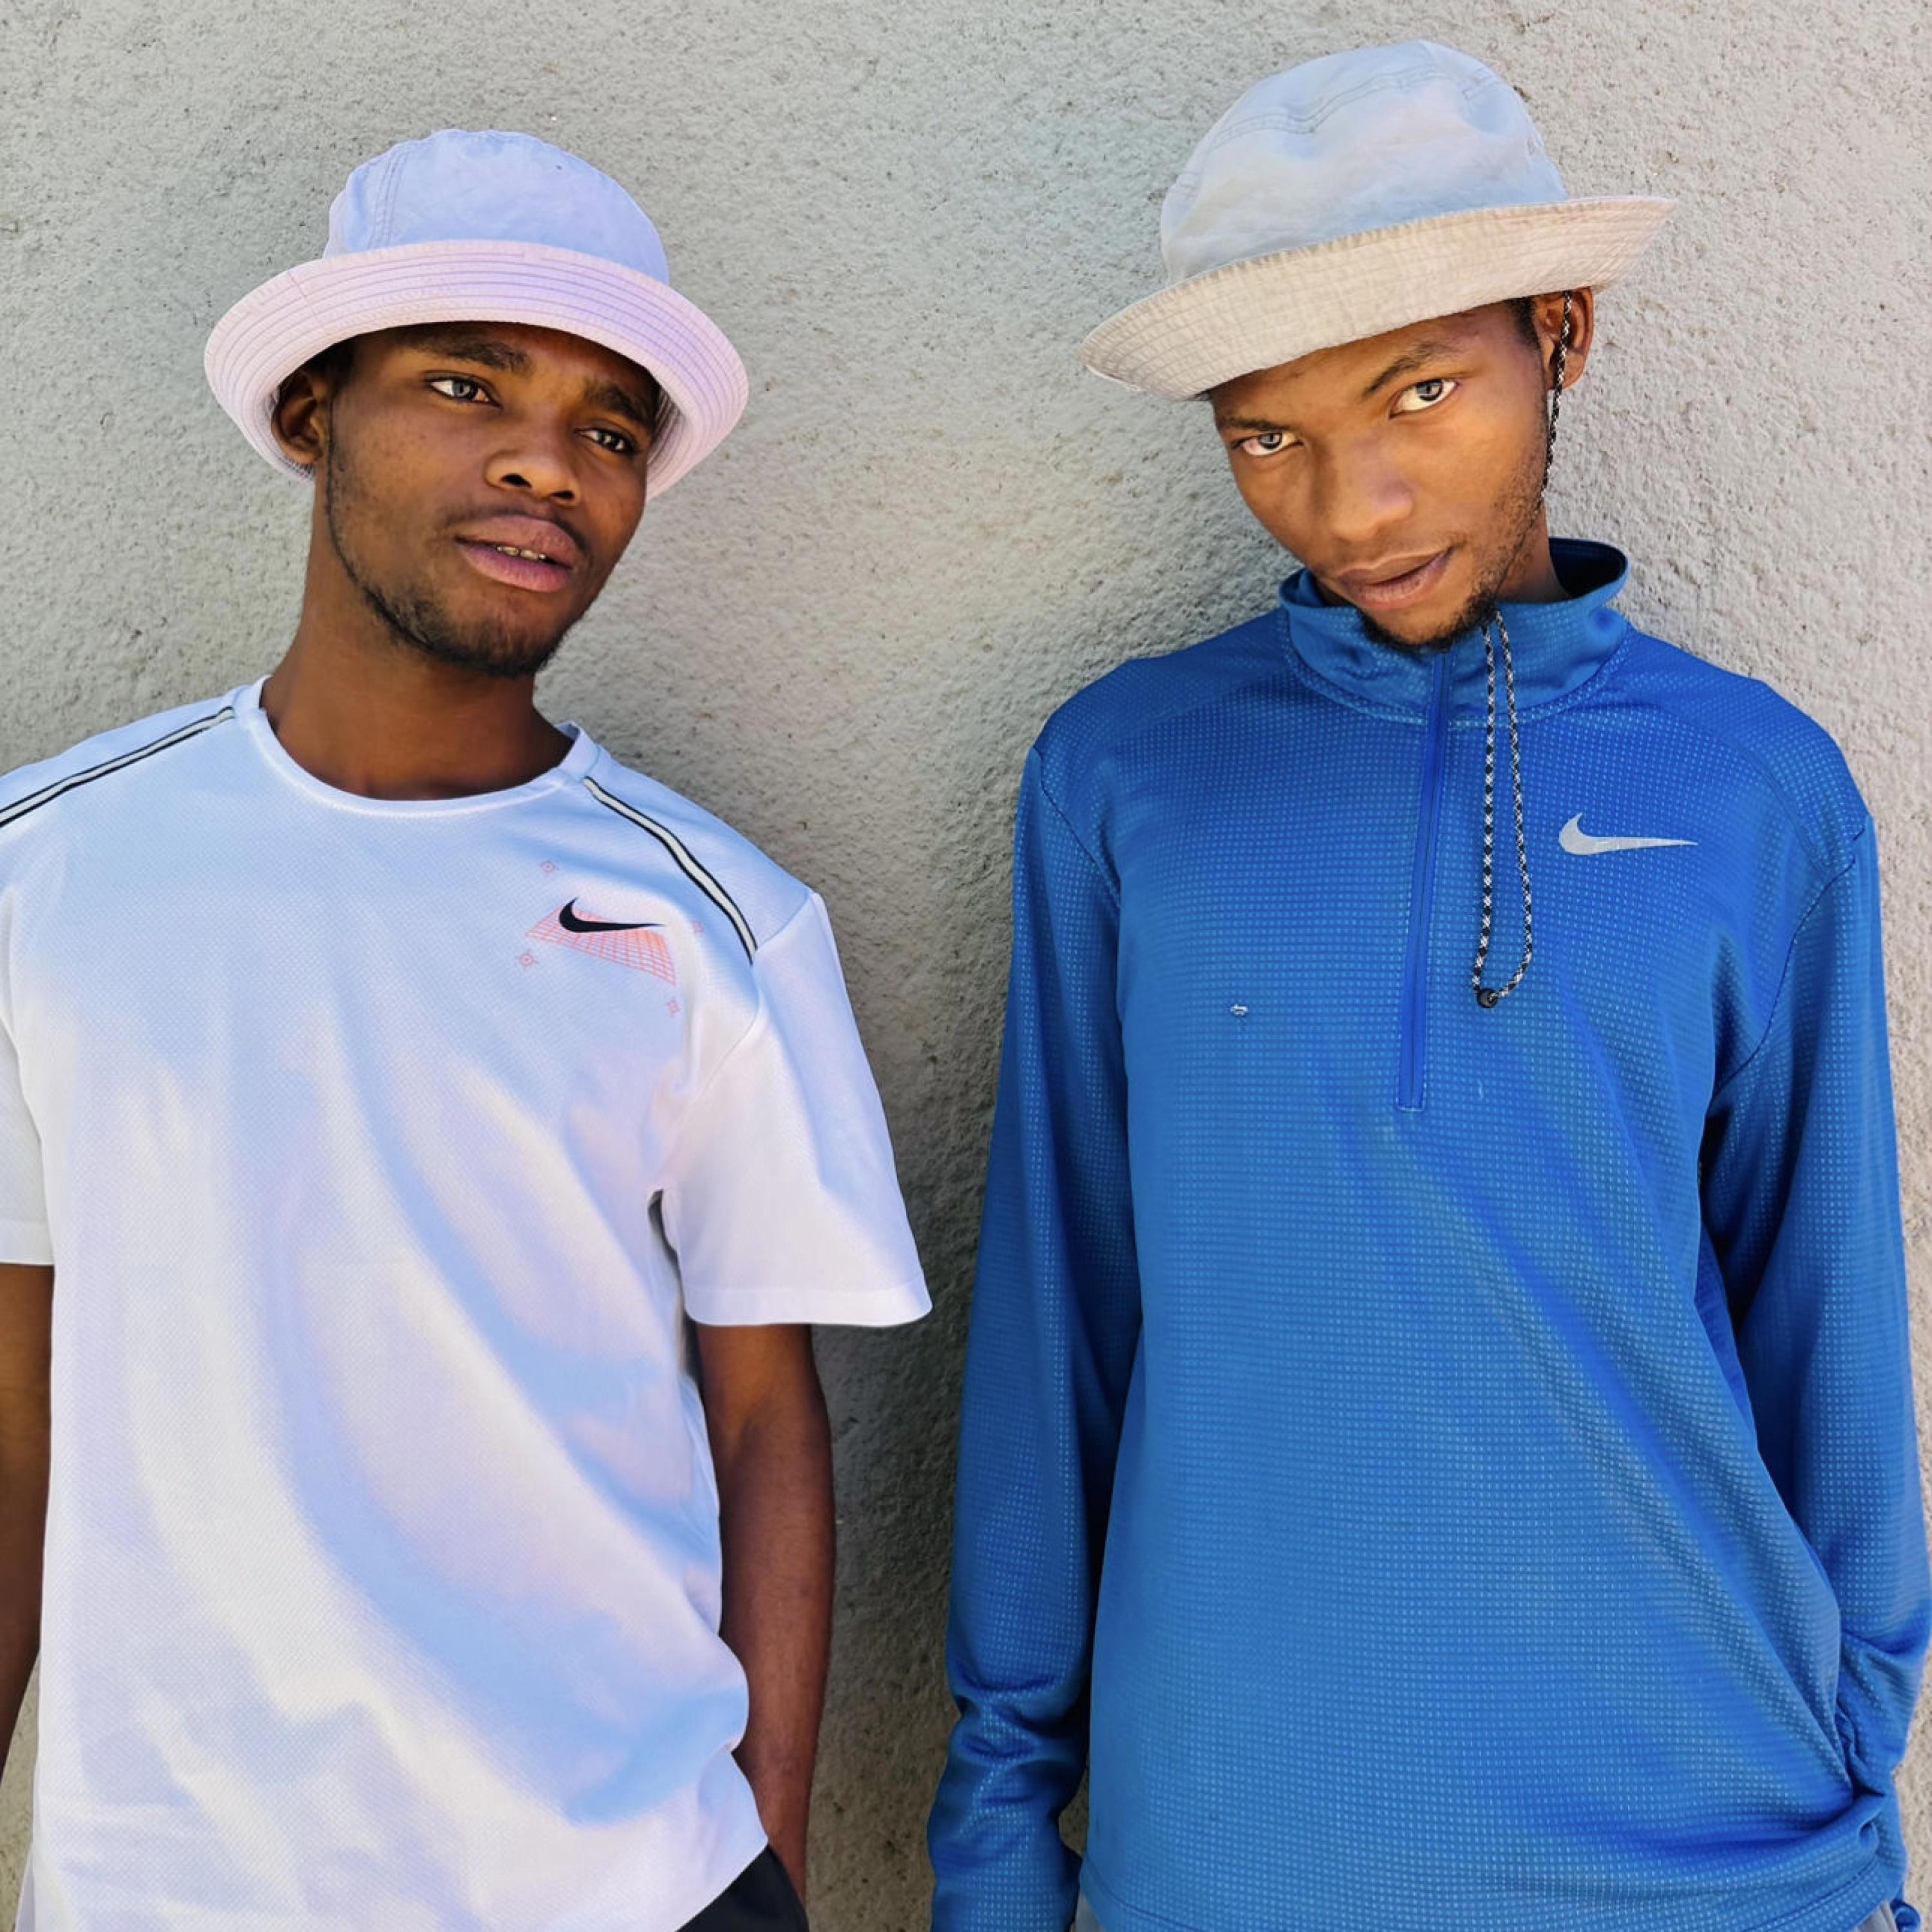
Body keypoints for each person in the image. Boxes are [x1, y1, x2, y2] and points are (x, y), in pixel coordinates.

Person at [929, 42, 1926, 1932]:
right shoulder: (1130, 779)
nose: (1353, 505)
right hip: (1240, 1848)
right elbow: (1061, 1321)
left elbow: (1828, 1326)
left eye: (1421, 391)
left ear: (1564, 334)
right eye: (1266, 437)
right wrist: (997, 1837)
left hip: (1714, 1844)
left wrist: (1855, 1743)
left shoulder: (1754, 789)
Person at [0, 128, 928, 1932]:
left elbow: (766, 1424)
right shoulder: (45, 875)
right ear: (311, 415)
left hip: (617, 1884)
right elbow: (10, 1424)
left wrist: (765, 1869)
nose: (545, 461)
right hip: (169, 1887)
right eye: (464, 383)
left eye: (612, 427)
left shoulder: (715, 922)